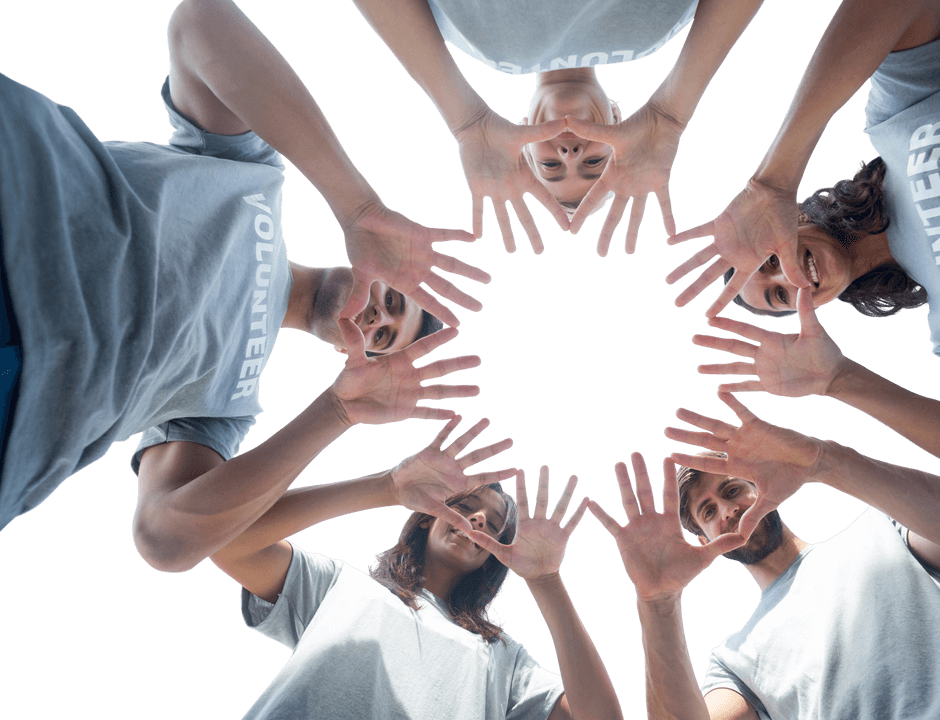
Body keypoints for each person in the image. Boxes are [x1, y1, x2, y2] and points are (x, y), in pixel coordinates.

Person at [0, 0, 491, 571]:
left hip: (22, 398)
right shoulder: (252, 173)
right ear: (373, 267)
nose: (375, 317)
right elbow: (199, 22)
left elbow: (164, 539)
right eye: (393, 299)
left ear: (350, 354)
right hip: (22, 202)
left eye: (383, 336)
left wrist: (338, 412)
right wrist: (358, 207)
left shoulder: (227, 407)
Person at [666, 0, 940, 496]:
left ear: (793, 219)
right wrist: (840, 379)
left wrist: (772, 181)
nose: (787, 276)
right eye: (777, 295)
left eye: (769, 260)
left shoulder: (898, 116)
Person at [588, 394, 940, 720]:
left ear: (763, 486)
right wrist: (656, 601)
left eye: (733, 490)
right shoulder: (735, 660)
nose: (728, 511)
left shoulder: (881, 530)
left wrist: (826, 461)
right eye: (708, 511)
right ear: (701, 537)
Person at [211, 415, 621, 720]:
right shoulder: (338, 585)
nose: (477, 521)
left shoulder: (503, 659)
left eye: (493, 526)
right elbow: (225, 540)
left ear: (494, 553)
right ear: (427, 516)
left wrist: (547, 580)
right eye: (464, 507)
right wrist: (386, 488)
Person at [348, 0, 767, 256]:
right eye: (594, 164)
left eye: (550, 167)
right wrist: (671, 114)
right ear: (619, 120)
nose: (571, 155)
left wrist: (466, 121)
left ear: (524, 132)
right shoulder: (654, 35)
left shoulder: (473, 44)